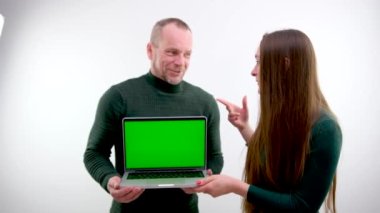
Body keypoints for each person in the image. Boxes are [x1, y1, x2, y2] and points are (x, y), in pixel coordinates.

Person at [192, 29, 342, 212]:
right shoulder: (281, 114)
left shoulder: (326, 129)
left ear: (285, 66)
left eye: (259, 62)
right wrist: (244, 128)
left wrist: (235, 186)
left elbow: (303, 206)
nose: (253, 72)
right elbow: (273, 166)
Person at [83, 17, 223, 213]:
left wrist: (206, 176)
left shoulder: (205, 102)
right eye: (172, 52)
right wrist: (110, 180)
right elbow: (94, 153)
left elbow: (215, 157)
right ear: (150, 50)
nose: (180, 62)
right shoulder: (117, 97)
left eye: (187, 54)